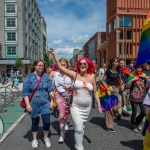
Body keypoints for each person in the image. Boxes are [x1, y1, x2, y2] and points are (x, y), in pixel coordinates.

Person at [50, 48, 102, 150]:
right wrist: (54, 55)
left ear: (88, 66)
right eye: (80, 64)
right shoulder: (74, 75)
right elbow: (60, 66)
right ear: (78, 65)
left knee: (81, 127)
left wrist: (99, 105)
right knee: (78, 128)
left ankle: (79, 141)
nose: (82, 65)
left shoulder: (92, 77)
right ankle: (79, 146)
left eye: (84, 64)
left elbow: (95, 92)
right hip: (76, 107)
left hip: (87, 107)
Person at [22, 59, 54, 148]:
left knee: (47, 122)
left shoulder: (46, 77)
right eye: (39, 65)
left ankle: (46, 137)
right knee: (35, 122)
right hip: (33, 103)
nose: (41, 67)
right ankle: (35, 139)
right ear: (35, 66)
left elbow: (50, 90)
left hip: (45, 103)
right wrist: (28, 104)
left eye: (42, 66)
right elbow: (25, 92)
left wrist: (52, 102)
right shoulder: (29, 77)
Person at [101, 57, 123, 132]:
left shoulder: (118, 70)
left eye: (118, 62)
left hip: (116, 90)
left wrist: (121, 85)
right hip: (109, 89)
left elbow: (119, 79)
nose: (117, 63)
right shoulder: (108, 71)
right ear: (112, 62)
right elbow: (103, 80)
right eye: (116, 62)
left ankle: (110, 120)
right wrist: (107, 89)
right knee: (109, 108)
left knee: (115, 108)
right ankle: (109, 126)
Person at [53, 58, 72, 143]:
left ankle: (65, 122)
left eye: (64, 65)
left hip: (68, 96)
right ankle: (62, 134)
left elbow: (74, 85)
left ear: (67, 65)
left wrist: (70, 86)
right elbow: (52, 86)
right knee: (61, 113)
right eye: (61, 65)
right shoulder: (56, 74)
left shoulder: (70, 74)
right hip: (59, 96)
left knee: (66, 112)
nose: (62, 67)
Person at [126, 64, 147, 133]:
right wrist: (132, 80)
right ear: (135, 68)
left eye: (140, 68)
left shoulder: (144, 75)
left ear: (142, 69)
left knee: (144, 112)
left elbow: (146, 86)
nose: (138, 69)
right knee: (134, 112)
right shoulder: (132, 75)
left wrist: (147, 79)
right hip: (133, 97)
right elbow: (128, 86)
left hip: (142, 96)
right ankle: (133, 125)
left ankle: (137, 123)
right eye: (137, 68)